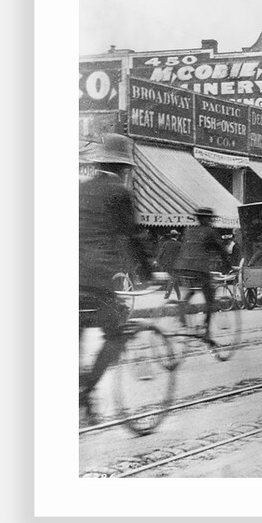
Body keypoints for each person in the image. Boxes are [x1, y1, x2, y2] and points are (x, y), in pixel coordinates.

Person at [79, 133, 153, 424]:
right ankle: (86, 392)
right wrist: (148, 273)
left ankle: (85, 399)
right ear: (124, 167)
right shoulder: (119, 193)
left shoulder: (81, 188)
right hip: (96, 278)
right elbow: (131, 236)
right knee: (116, 334)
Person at [173, 207, 231, 339]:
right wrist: (227, 265)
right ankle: (206, 330)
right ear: (206, 219)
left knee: (191, 289)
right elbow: (221, 250)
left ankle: (182, 310)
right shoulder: (210, 231)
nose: (210, 221)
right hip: (199, 268)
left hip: (182, 267)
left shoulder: (188, 230)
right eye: (209, 219)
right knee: (210, 297)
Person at [156, 229, 182, 299]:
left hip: (167, 264)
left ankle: (178, 295)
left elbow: (161, 253)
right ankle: (167, 293)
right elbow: (182, 255)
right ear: (177, 237)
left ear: (170, 236)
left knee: (173, 279)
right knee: (173, 278)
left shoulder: (166, 243)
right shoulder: (179, 244)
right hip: (176, 265)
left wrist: (157, 261)